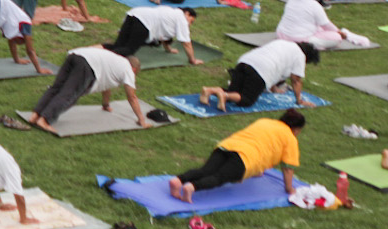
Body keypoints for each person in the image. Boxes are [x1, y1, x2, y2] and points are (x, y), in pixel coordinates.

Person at [168, 110, 305, 202]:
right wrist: (289, 189)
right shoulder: (290, 138)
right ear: (296, 129)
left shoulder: (265, 121)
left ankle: (178, 180)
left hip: (227, 146)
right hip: (244, 158)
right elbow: (288, 168)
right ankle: (191, 187)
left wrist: (256, 171)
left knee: (206, 170)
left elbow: (262, 144)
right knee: (219, 177)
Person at [16, 45, 149, 133]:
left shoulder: (116, 61)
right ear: (135, 69)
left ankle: (35, 115)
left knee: (57, 88)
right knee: (69, 94)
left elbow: (106, 87)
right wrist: (141, 120)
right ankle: (44, 120)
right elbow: (132, 97)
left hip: (75, 55)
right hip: (86, 65)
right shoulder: (128, 69)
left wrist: (105, 105)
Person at [197, 39, 318, 113]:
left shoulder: (283, 42)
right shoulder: (300, 56)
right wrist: (299, 100)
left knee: (235, 92)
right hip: (260, 70)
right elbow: (296, 80)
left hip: (244, 62)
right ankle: (224, 95)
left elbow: (279, 65)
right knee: (246, 100)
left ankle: (209, 90)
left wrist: (274, 88)